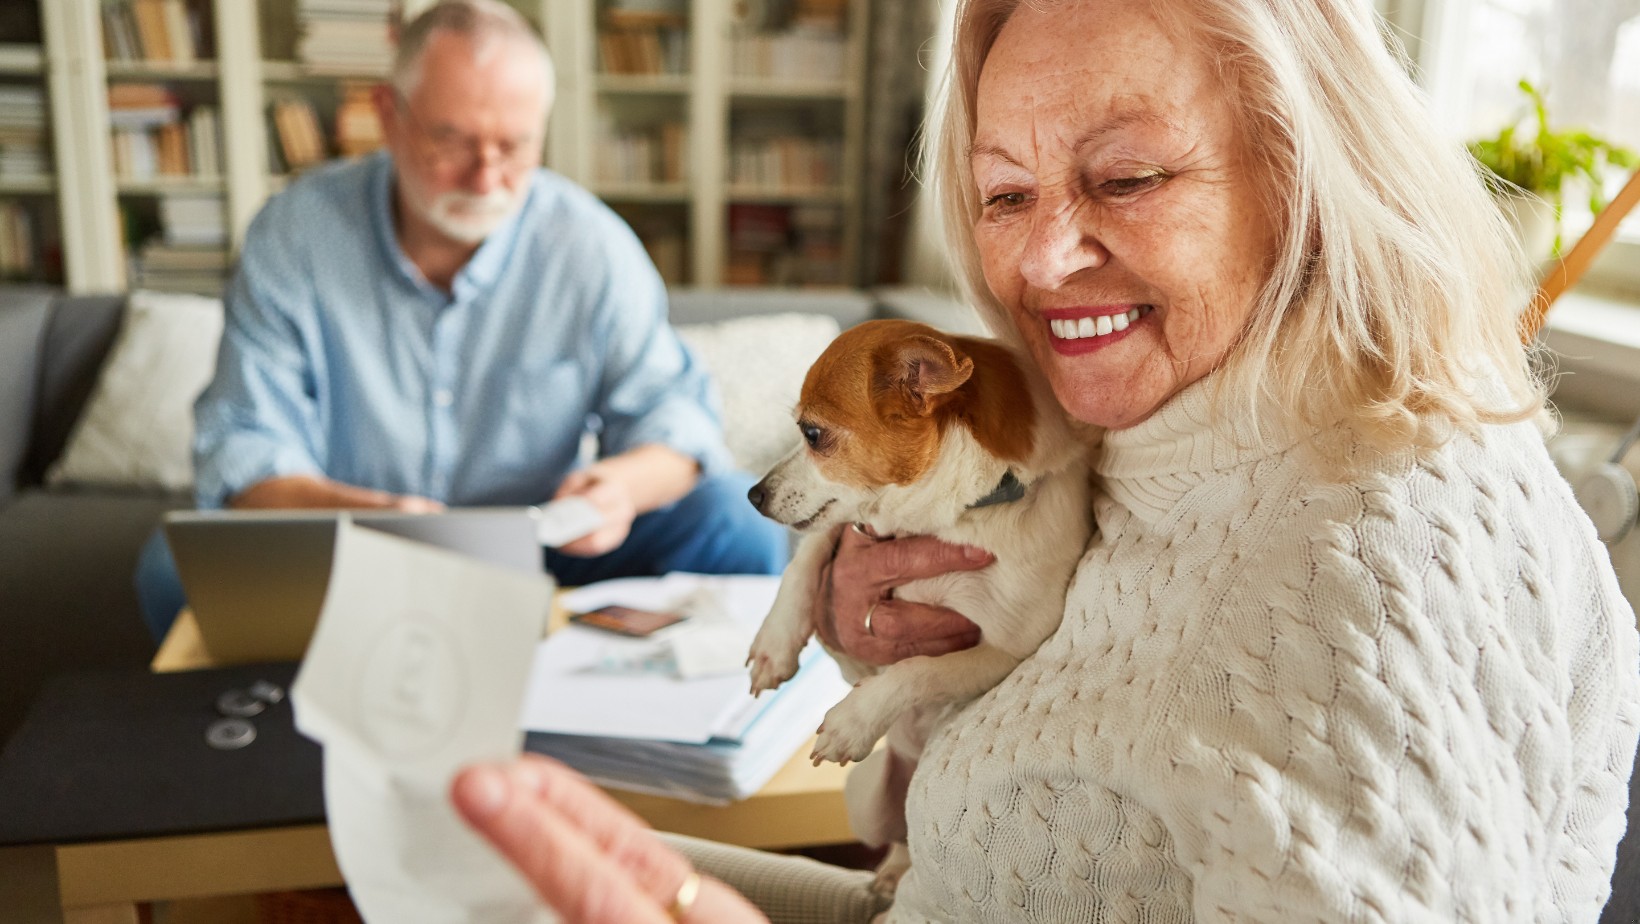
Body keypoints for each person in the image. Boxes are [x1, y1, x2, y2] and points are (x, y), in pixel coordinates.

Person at [450, 0, 1640, 920]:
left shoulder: (1365, 566)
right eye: (1002, 192)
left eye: (1124, 177)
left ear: (1307, 172)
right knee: (480, 876)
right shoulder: (1132, 435)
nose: (1044, 258)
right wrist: (890, 650)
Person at [132, 0, 787, 640]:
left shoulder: (590, 246)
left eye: (515, 144)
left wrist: (616, 488)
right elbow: (244, 448)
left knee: (736, 521)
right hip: (354, 539)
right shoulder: (295, 235)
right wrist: (378, 516)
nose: (486, 176)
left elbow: (678, 422)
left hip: (543, 542)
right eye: (452, 140)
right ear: (388, 116)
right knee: (174, 569)